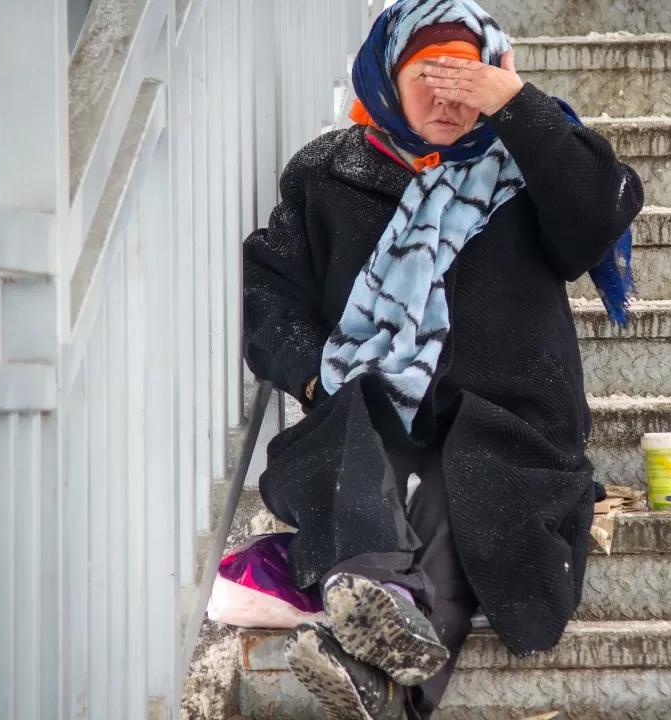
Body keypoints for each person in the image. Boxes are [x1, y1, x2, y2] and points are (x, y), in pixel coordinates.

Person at [241, 0, 643, 717]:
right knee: (374, 454)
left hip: (510, 429)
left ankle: (376, 636)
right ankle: (384, 615)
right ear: (387, 77)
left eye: (467, 75)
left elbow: (596, 217)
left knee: (467, 496)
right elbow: (271, 297)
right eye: (428, 73)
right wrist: (316, 374)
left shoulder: (529, 166)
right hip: (369, 419)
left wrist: (520, 108)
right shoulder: (327, 172)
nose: (448, 95)